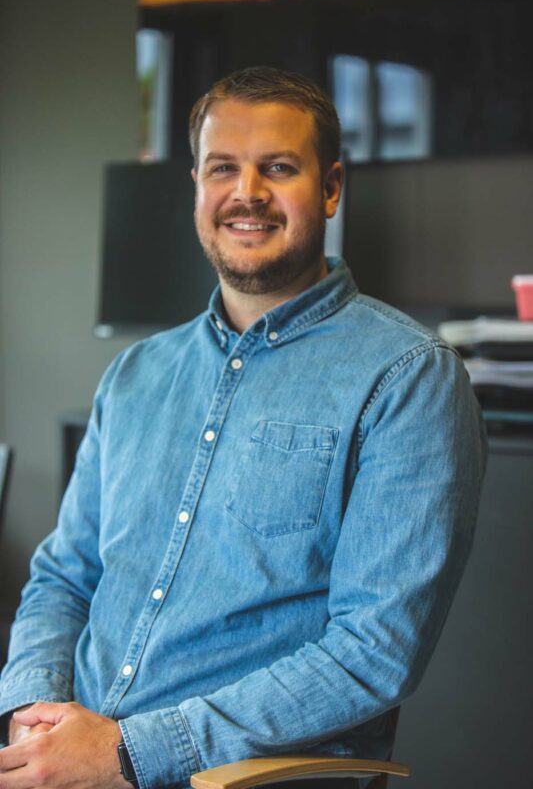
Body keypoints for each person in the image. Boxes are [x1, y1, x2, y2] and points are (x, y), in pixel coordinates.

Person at [0, 66, 486, 789]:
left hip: (238, 776)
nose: (246, 193)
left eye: (278, 168)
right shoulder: (135, 376)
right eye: (223, 168)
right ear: (196, 185)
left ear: (329, 188)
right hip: (69, 757)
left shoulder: (407, 377)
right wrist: (38, 709)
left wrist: (129, 753)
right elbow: (65, 576)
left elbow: (373, 650)